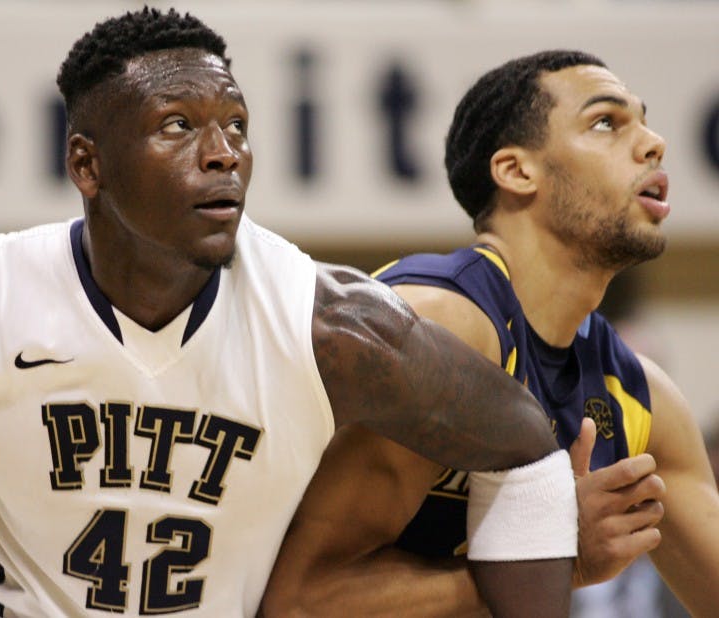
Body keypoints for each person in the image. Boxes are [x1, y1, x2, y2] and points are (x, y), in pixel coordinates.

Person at [0, 10, 578, 617]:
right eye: (178, 125)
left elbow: (525, 445)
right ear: (87, 165)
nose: (223, 154)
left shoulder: (330, 325)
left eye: (236, 125)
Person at [264, 50, 719, 616]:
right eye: (606, 122)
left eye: (645, 120)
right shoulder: (438, 326)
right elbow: (300, 603)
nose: (654, 143)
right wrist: (548, 557)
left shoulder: (639, 397)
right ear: (516, 171)